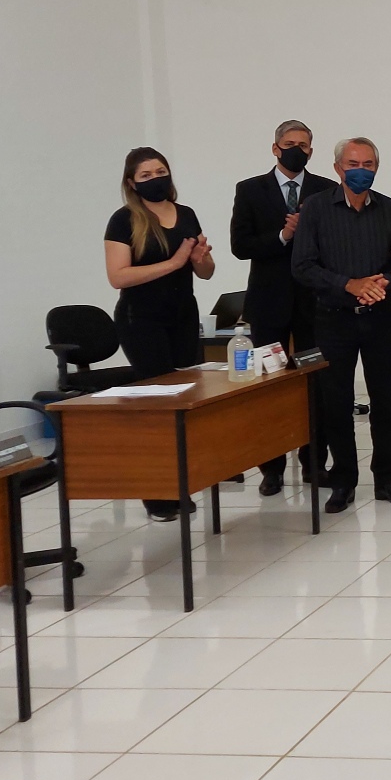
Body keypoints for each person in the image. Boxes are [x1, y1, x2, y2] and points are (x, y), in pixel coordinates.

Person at [291, 137, 391, 514]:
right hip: (333, 319)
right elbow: (302, 266)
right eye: (352, 164)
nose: (361, 171)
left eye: (368, 164)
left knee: (386, 402)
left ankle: (387, 477)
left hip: (380, 319)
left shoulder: (388, 208)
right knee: (337, 404)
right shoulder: (316, 208)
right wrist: (349, 284)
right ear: (337, 168)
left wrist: (384, 282)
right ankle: (343, 480)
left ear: (376, 168)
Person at [104, 146, 215, 521]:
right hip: (141, 321)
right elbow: (118, 276)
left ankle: (180, 483)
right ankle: (155, 493)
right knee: (157, 408)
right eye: (146, 175)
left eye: (160, 172)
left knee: (185, 402)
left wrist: (199, 259)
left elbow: (206, 272)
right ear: (132, 183)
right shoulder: (124, 220)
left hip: (182, 317)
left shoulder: (187, 214)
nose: (156, 179)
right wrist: (174, 262)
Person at [230, 119, 337, 496]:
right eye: (289, 144)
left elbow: (335, 244)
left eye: (303, 145)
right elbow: (240, 246)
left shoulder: (325, 189)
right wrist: (284, 235)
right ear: (275, 148)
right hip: (268, 305)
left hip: (313, 304)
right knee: (269, 385)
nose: (296, 150)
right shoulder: (250, 189)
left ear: (311, 150)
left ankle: (314, 463)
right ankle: (271, 468)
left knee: (314, 383)